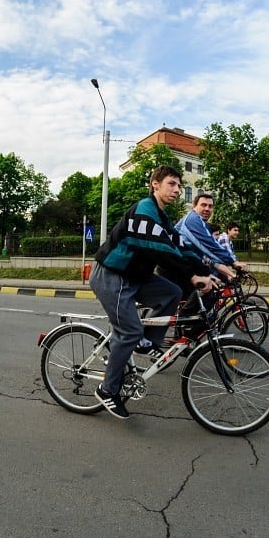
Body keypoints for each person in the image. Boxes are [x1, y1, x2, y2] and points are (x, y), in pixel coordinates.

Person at [90, 165, 220, 419]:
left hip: (136, 277)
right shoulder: (144, 211)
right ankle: (107, 390)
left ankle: (146, 342)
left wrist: (211, 268)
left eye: (179, 185)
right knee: (129, 331)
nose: (177, 189)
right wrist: (193, 276)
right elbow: (161, 251)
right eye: (171, 184)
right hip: (112, 276)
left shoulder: (162, 218)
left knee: (171, 293)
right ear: (155, 185)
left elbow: (180, 246)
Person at [175, 193, 243, 281]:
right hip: (177, 269)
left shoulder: (201, 223)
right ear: (194, 206)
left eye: (210, 206)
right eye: (203, 205)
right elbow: (210, 245)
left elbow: (207, 256)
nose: (207, 209)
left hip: (188, 266)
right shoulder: (193, 220)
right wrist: (233, 262)